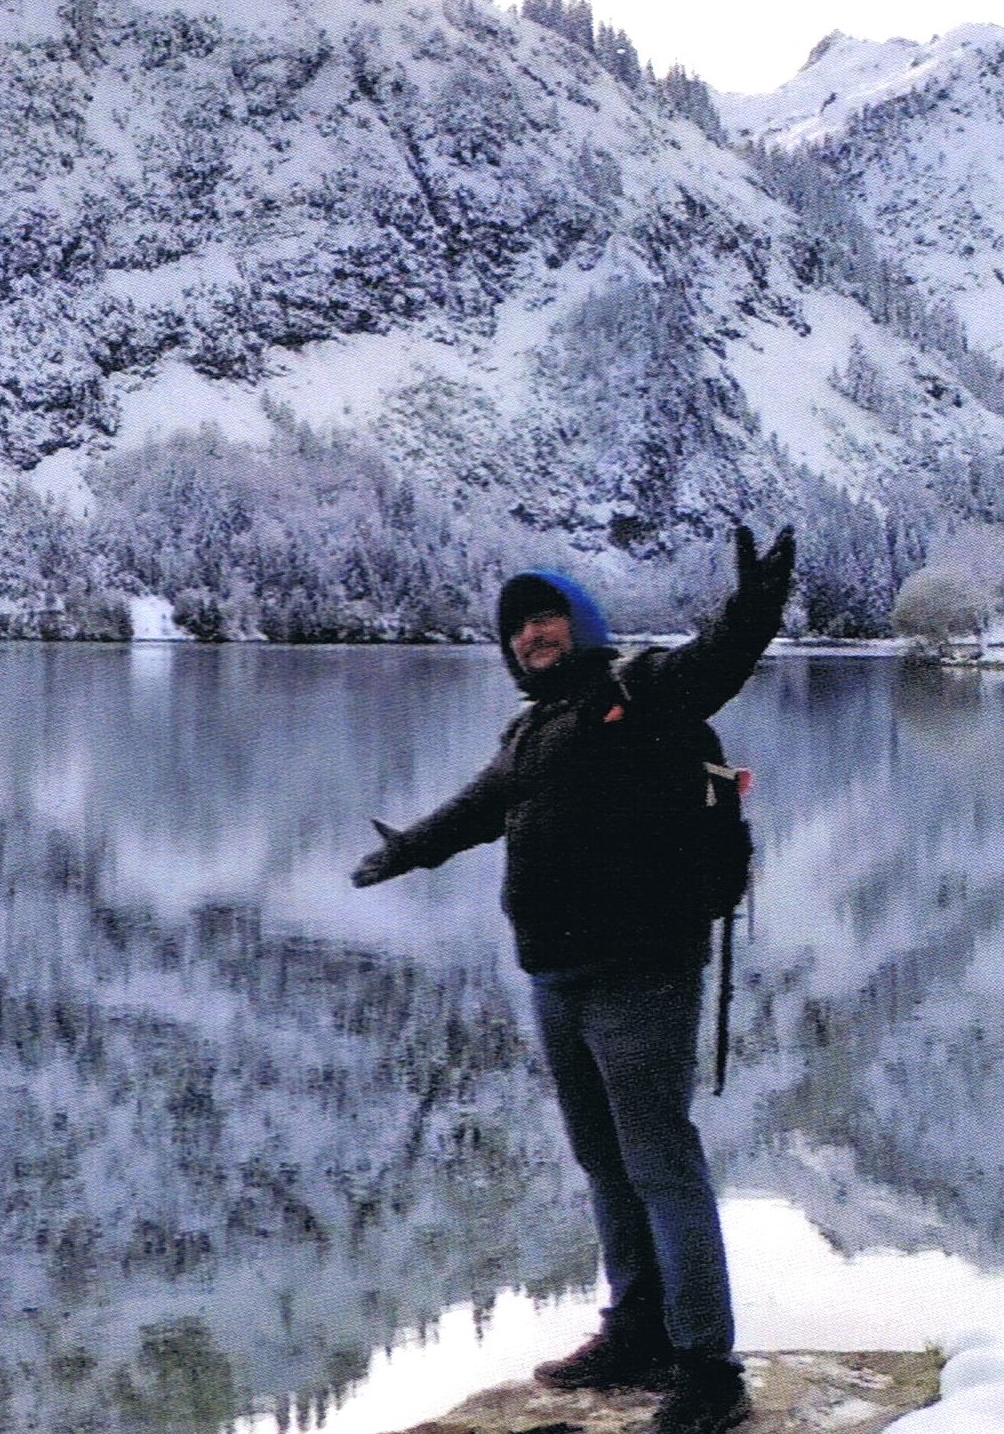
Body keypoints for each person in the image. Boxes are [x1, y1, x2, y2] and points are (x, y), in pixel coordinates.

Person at [354, 527, 794, 1434]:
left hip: (642, 971)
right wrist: (410, 849)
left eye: (545, 617)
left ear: (579, 622)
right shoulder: (529, 729)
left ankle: (708, 1366)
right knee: (603, 1163)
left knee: (658, 1159)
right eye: (516, 628)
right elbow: (481, 806)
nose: (531, 635)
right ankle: (635, 1328)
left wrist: (752, 610)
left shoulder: (640, 692)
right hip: (555, 977)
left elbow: (716, 664)